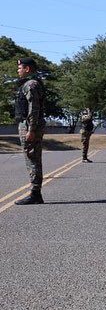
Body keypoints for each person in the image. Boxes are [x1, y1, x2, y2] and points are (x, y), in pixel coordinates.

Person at [14, 57, 46, 205]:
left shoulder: (31, 85)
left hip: (30, 126)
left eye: (20, 68)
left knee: (32, 158)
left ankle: (35, 193)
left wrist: (31, 129)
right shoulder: (27, 84)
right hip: (26, 125)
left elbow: (34, 109)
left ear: (27, 69)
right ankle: (35, 192)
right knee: (31, 157)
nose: (18, 70)